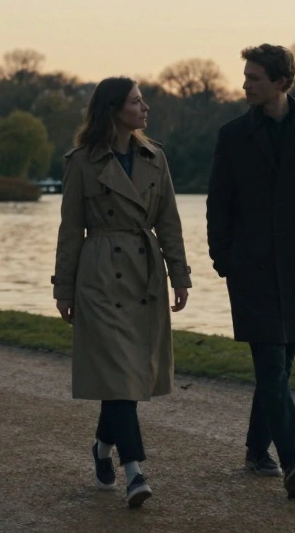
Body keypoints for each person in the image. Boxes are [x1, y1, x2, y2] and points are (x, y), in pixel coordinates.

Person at [206, 44, 295, 499]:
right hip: (250, 269)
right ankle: (294, 461)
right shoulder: (232, 136)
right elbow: (218, 203)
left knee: (280, 369)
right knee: (270, 366)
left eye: (254, 78)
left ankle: (256, 450)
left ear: (282, 82)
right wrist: (223, 259)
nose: (245, 84)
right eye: (246, 76)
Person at [52, 77, 192, 508]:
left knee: (125, 378)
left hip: (143, 275)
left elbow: (169, 221)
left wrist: (180, 276)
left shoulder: (155, 158)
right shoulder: (81, 162)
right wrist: (63, 287)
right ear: (114, 110)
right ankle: (134, 472)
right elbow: (70, 229)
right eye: (136, 101)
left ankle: (101, 448)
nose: (145, 107)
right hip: (99, 276)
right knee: (118, 375)